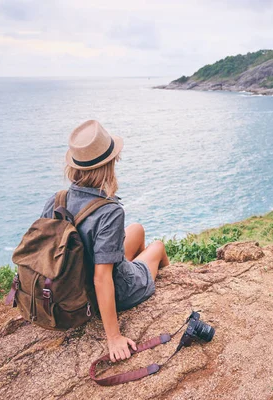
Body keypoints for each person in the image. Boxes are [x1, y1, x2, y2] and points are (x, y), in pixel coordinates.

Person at [40, 120, 169, 363]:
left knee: (137, 229)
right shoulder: (110, 212)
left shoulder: (56, 200)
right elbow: (102, 278)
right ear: (110, 164)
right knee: (158, 246)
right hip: (115, 291)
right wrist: (114, 337)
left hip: (72, 289)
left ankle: (130, 262)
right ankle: (148, 273)